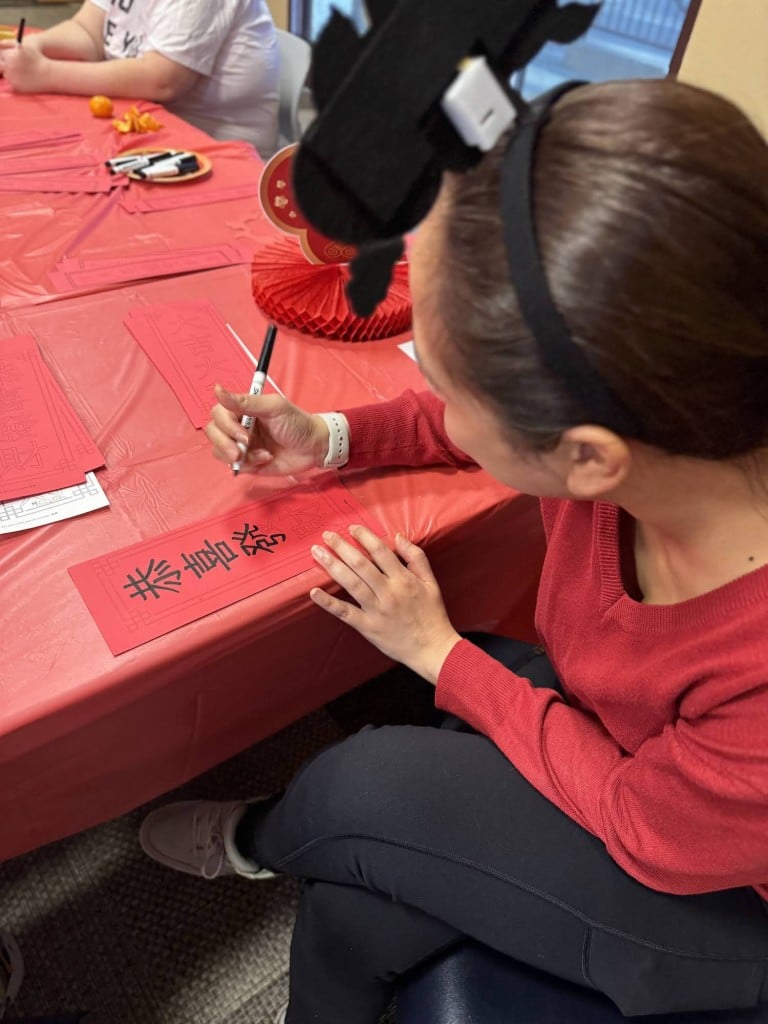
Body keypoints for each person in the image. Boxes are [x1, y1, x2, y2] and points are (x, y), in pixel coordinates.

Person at [139, 78, 768, 1024]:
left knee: (366, 784)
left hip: (715, 893)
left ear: (588, 457)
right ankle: (294, 849)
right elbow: (481, 411)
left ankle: (267, 836)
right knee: (354, 905)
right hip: (641, 749)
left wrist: (441, 653)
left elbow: (650, 828)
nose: (442, 403)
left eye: (447, 379)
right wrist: (331, 436)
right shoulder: (673, 405)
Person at [0, 0, 279, 158]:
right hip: (148, 134)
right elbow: (86, 30)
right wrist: (36, 46)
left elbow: (162, 79)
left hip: (218, 156)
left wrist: (44, 74)